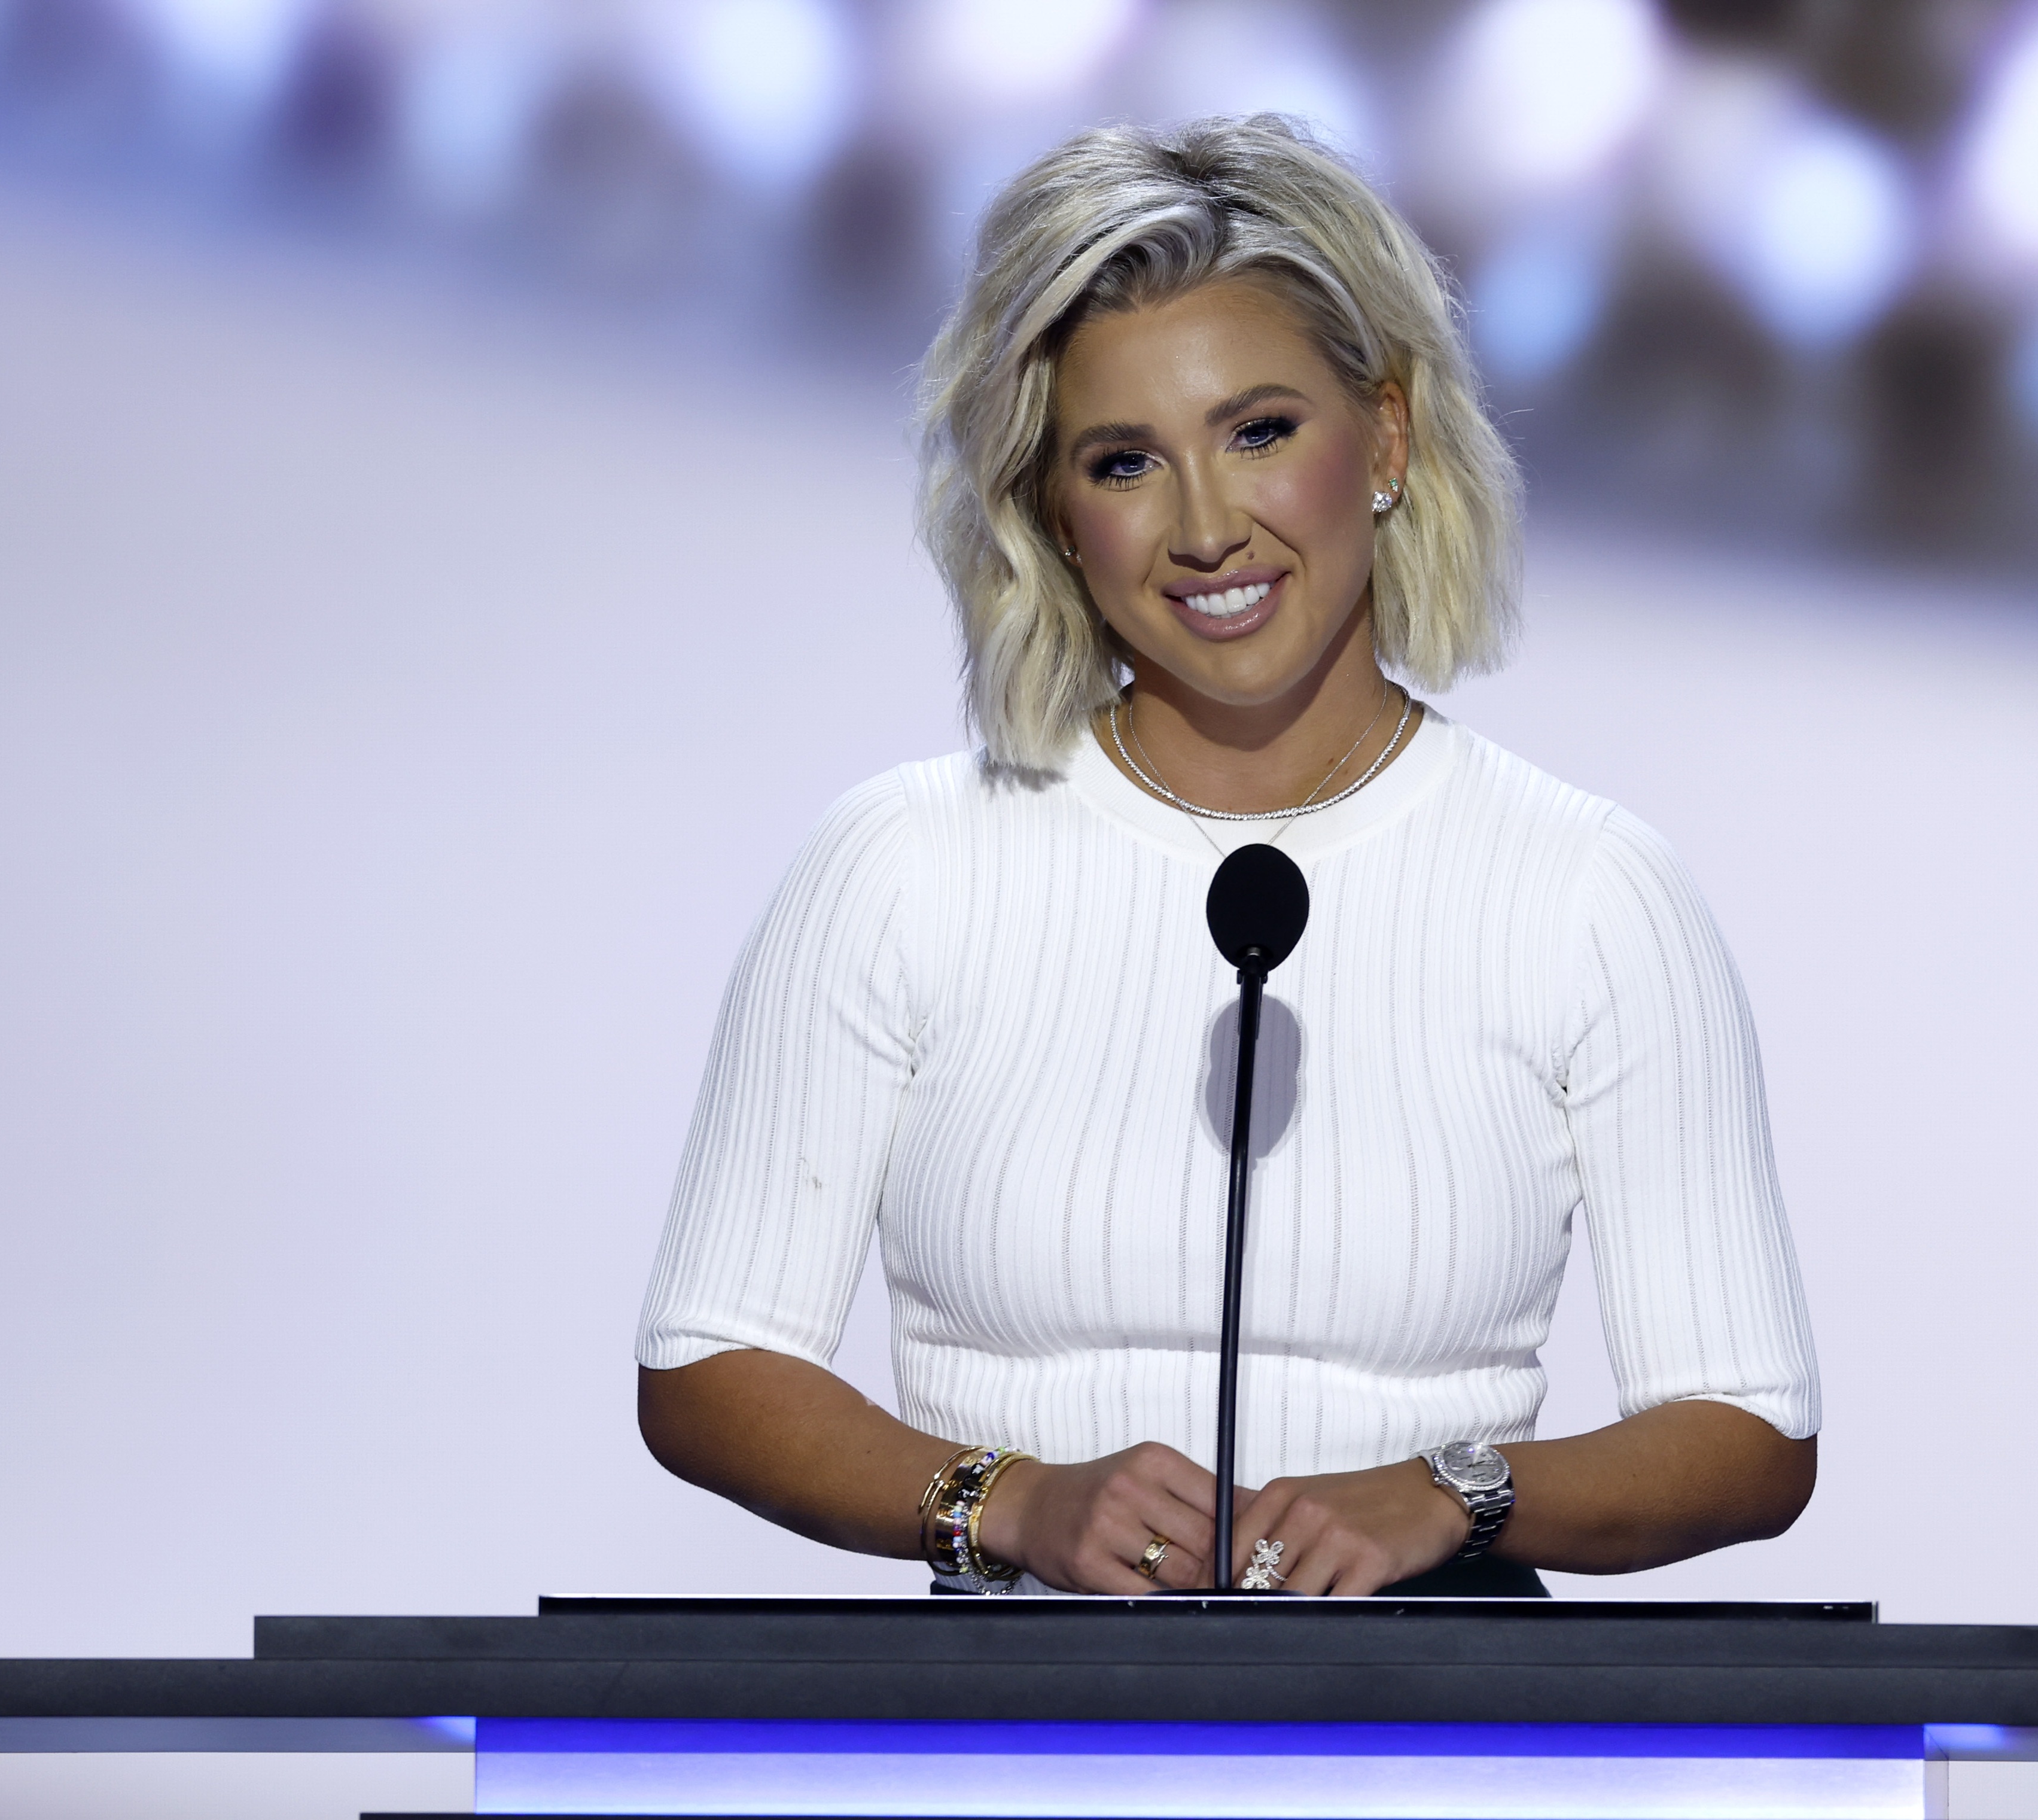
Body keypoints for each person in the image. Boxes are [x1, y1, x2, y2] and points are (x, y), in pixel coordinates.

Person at [635, 115, 1818, 1598]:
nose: (1205, 528)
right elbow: (707, 1362)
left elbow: (1750, 1428)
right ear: (1052, 517)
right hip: (1011, 1748)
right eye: (1125, 462)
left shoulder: (1589, 891)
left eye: (1261, 433)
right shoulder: (898, 866)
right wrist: (1008, 1501)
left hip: (1434, 1749)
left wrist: (1452, 1494)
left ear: (1384, 439)